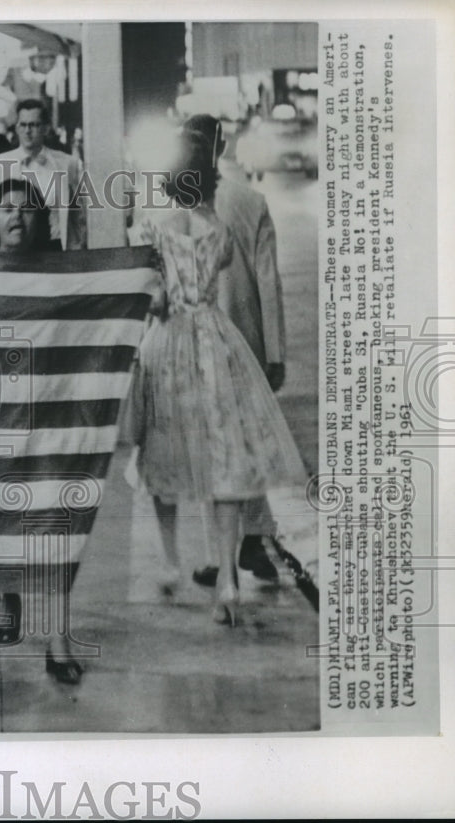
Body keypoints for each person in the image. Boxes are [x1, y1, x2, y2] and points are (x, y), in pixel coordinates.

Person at [125, 130, 306, 627]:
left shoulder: (151, 228)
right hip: (215, 342)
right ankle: (227, 577)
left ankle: (169, 560)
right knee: (225, 456)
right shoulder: (218, 227)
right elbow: (223, 269)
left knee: (160, 451)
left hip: (167, 343)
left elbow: (155, 299)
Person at [0, 178, 84, 685]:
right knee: (3, 519)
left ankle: (59, 639)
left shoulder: (59, 275)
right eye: (5, 209)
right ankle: (7, 600)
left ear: (39, 219)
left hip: (51, 416)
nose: (15, 216)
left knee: (55, 525)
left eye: (25, 209)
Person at [180, 113, 287, 587]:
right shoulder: (251, 200)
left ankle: (220, 554)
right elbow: (268, 281)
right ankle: (255, 535)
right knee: (249, 442)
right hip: (246, 343)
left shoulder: (178, 206)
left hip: (198, 345)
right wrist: (276, 351)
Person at [0, 99, 86, 251]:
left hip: (55, 248)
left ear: (46, 128)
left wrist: (77, 249)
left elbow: (79, 215)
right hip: (15, 247)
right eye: (23, 125)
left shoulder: (67, 163)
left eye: (34, 125)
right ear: (17, 128)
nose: (28, 131)